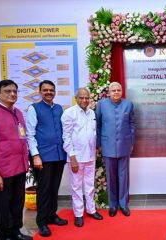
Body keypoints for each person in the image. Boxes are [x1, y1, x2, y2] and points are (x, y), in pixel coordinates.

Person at [0, 80, 32, 240]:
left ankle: (16, 231)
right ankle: (4, 235)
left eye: (15, 91)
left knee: (17, 202)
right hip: (3, 170)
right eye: (7, 91)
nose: (12, 94)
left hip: (19, 167)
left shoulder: (18, 113)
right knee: (3, 205)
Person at [26, 80, 68, 237]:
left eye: (51, 90)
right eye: (45, 90)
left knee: (54, 187)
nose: (49, 92)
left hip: (58, 155)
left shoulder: (58, 109)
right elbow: (30, 134)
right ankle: (42, 221)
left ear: (55, 92)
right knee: (44, 190)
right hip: (42, 157)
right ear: (40, 92)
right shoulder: (34, 108)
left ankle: (52, 215)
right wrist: (35, 155)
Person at [61, 88, 103, 227]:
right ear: (76, 98)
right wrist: (72, 158)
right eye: (81, 98)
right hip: (76, 158)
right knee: (76, 187)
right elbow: (66, 137)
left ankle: (91, 210)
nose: (84, 100)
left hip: (90, 156)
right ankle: (78, 214)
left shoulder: (91, 113)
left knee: (90, 185)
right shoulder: (69, 113)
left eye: (86, 98)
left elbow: (93, 133)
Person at [96, 82, 135, 217]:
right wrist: (99, 143)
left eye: (119, 90)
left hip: (124, 145)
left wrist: (131, 141)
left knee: (124, 177)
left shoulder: (128, 104)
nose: (116, 92)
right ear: (109, 92)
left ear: (122, 91)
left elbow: (131, 124)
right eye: (114, 90)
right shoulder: (101, 105)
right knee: (111, 177)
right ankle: (112, 205)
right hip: (107, 146)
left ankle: (123, 204)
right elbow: (98, 125)